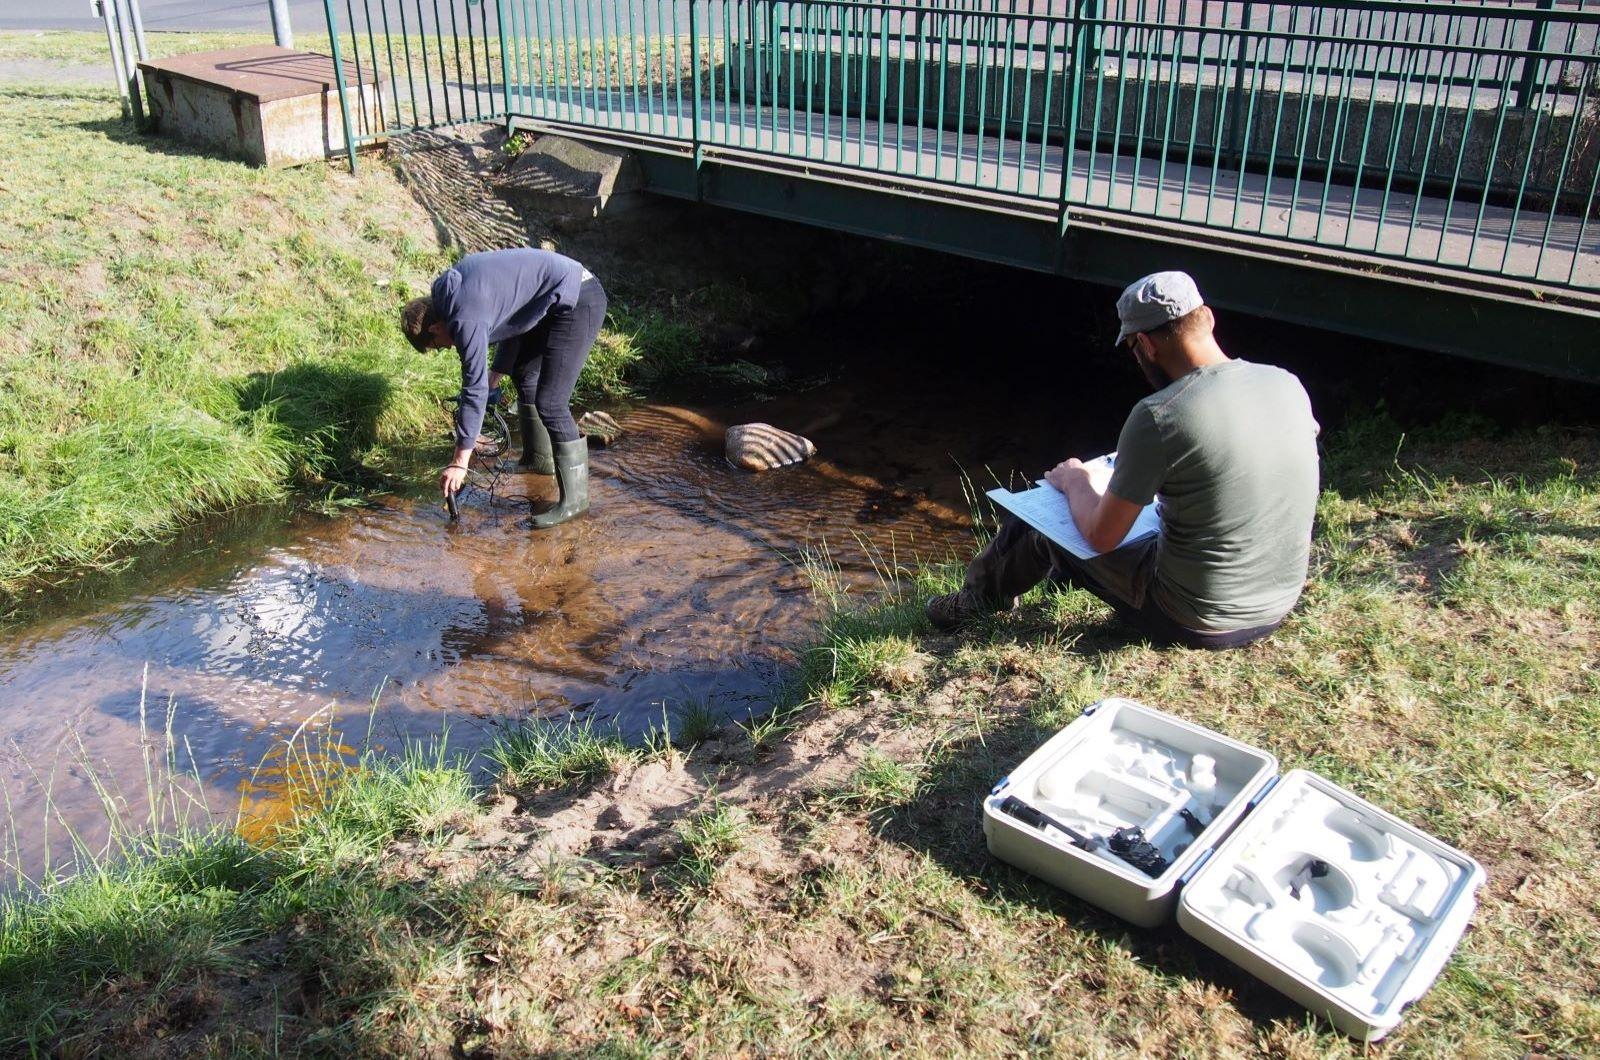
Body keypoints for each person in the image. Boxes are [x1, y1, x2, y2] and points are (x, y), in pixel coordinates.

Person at [927, 271, 1320, 649]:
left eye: (1133, 350)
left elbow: (1102, 536)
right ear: (1209, 319)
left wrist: (1075, 480)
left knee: (1038, 520)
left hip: (1194, 617)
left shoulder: (1161, 414)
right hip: (1276, 604)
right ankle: (1054, 582)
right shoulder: (1286, 383)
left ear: (1147, 346)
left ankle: (973, 603)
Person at [401, 247, 607, 529]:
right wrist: (495, 378)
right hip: (551, 300)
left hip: (579, 298)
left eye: (438, 348)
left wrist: (460, 462)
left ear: (435, 328)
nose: (447, 349)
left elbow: (473, 387)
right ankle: (539, 460)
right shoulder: (454, 295)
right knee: (524, 374)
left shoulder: (463, 315)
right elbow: (514, 319)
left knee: (552, 403)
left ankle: (575, 502)